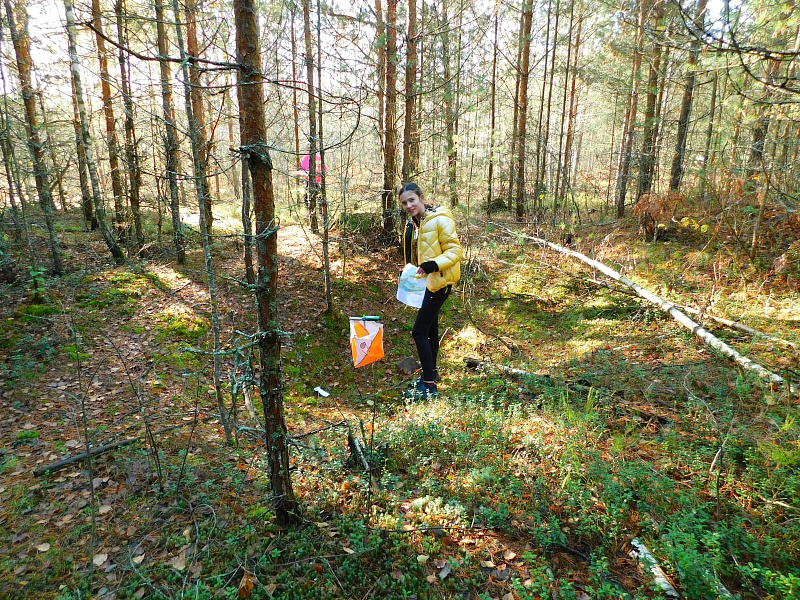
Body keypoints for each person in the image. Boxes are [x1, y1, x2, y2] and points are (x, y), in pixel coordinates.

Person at [399, 182, 463, 399]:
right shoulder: (415, 223)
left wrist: (432, 265)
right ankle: (431, 374)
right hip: (428, 283)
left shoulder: (439, 220)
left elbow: (455, 251)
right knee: (430, 330)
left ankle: (428, 387)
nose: (409, 205)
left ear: (421, 198)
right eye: (404, 203)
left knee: (419, 331)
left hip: (440, 282)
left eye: (412, 200)